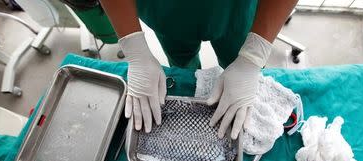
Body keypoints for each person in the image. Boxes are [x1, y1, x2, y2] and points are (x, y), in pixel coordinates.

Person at [100, 0, 298, 139]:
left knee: (237, 65)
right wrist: (136, 51)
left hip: (235, 10)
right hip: (166, 13)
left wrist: (253, 57)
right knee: (182, 69)